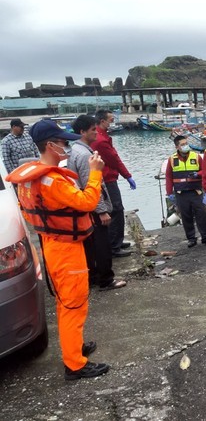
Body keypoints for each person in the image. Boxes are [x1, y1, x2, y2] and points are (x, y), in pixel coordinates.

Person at [6, 119, 110, 380]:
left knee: (67, 303)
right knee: (74, 305)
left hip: (52, 244)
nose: (67, 146)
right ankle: (75, 364)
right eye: (63, 142)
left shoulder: (30, 178)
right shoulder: (53, 181)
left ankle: (73, 347)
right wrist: (95, 171)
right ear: (51, 145)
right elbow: (87, 202)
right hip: (66, 250)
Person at [68, 115, 127, 291]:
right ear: (82, 131)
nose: (96, 132)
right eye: (93, 129)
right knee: (102, 244)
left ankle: (93, 276)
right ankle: (106, 279)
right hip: (93, 206)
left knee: (91, 245)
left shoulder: (75, 151)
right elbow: (91, 185)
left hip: (84, 206)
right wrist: (101, 210)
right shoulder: (86, 155)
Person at [91, 109, 135, 258]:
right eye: (110, 119)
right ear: (102, 121)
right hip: (108, 179)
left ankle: (116, 240)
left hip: (106, 178)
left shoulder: (101, 136)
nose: (113, 122)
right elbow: (114, 159)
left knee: (114, 210)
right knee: (116, 210)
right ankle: (115, 245)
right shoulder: (101, 140)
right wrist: (127, 175)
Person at [165, 135, 206, 247]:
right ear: (177, 147)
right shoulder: (172, 159)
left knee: (201, 214)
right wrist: (169, 192)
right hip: (181, 193)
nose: (185, 146)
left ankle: (205, 237)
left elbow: (205, 171)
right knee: (186, 216)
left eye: (186, 143)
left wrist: (197, 174)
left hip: (196, 192)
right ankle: (191, 238)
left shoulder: (196, 157)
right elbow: (168, 177)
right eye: (182, 144)